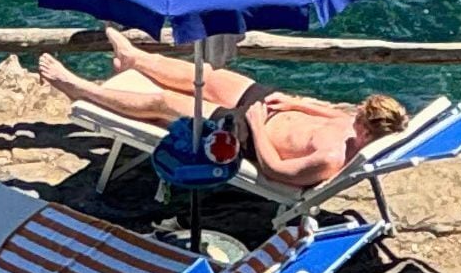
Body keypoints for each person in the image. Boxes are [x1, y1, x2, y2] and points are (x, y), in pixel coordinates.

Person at [40, 27, 411, 189]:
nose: (355, 112)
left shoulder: (329, 159)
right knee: (210, 76)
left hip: (249, 133)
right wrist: (295, 102)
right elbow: (333, 115)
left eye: (360, 114)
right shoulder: (358, 127)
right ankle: (134, 58)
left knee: (166, 103)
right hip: (269, 109)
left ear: (365, 130)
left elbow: (276, 169)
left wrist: (258, 126)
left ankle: (80, 89)